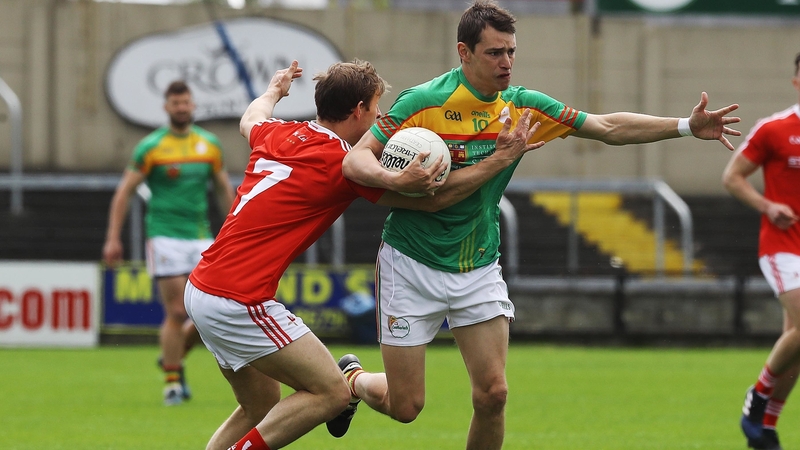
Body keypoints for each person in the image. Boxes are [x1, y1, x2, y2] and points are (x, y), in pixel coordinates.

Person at [337, 1, 742, 448]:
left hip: (476, 264)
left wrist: (685, 125)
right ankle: (354, 381)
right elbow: (355, 159)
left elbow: (606, 127)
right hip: (410, 263)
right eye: (494, 52)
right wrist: (399, 178)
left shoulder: (523, 108)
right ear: (464, 52)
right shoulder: (422, 102)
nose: (506, 62)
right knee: (406, 407)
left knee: (493, 394)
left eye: (511, 51)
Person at [184, 58, 544, 450]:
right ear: (359, 111)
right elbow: (435, 202)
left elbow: (250, 117)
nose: (381, 117)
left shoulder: (276, 133)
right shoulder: (344, 165)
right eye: (376, 109)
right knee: (331, 394)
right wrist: (497, 159)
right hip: (240, 299)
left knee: (262, 406)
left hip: (202, 289)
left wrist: (275, 90)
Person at [102, 80, 236, 406]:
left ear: (193, 105)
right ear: (167, 107)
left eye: (185, 102)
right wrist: (112, 238)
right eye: (175, 103)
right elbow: (124, 192)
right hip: (164, 237)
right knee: (177, 310)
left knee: (211, 310)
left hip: (202, 236)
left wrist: (234, 230)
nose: (181, 107)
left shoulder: (209, 145)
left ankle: (173, 355)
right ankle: (173, 382)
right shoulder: (151, 147)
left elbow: (223, 189)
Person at [723, 52, 800, 450]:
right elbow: (733, 177)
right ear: (796, 82)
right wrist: (769, 206)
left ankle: (764, 428)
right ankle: (758, 397)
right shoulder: (775, 129)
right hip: (783, 246)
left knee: (796, 343)